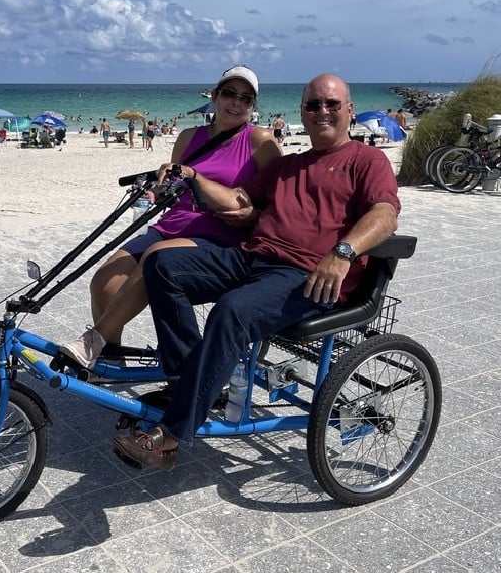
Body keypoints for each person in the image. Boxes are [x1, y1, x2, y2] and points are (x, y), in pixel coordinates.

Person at [112, 73, 401, 470]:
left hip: (307, 275)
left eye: (332, 104)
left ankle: (171, 436)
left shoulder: (366, 160)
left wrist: (344, 250)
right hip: (252, 257)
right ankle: (188, 382)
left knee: (232, 310)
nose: (322, 111)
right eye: (313, 105)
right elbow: (237, 198)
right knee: (162, 262)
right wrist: (193, 176)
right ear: (302, 111)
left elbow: (385, 214)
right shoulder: (290, 165)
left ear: (349, 109)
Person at [60, 65, 283, 367]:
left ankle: (94, 340)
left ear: (252, 106)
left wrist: (249, 215)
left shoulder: (261, 141)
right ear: (215, 96)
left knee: (155, 258)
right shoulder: (189, 136)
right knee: (103, 282)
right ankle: (112, 362)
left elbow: (276, 201)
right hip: (173, 226)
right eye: (230, 94)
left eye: (246, 98)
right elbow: (175, 188)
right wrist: (156, 192)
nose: (236, 103)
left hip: (219, 235)